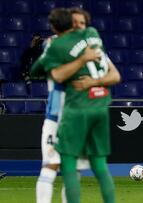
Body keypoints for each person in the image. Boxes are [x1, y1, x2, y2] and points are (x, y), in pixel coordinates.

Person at [31, 8, 120, 203]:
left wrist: (93, 82)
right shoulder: (54, 45)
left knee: (73, 169)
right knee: (51, 166)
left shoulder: (91, 47)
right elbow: (43, 72)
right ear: (68, 24)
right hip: (58, 115)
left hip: (76, 113)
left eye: (82, 24)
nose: (79, 26)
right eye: (75, 23)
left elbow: (114, 74)